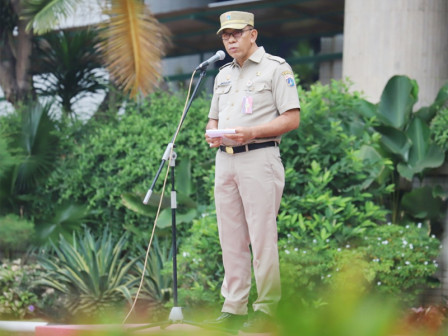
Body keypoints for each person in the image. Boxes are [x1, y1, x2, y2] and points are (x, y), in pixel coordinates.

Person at [203, 10, 301, 333]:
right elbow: (213, 118)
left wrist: (253, 132)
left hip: (259, 158)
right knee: (230, 239)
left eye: (236, 33)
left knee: (262, 239)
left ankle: (268, 309)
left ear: (253, 34)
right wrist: (211, 131)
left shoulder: (276, 68)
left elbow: (291, 118)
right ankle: (234, 307)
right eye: (225, 35)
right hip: (225, 161)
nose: (230, 40)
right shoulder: (222, 75)